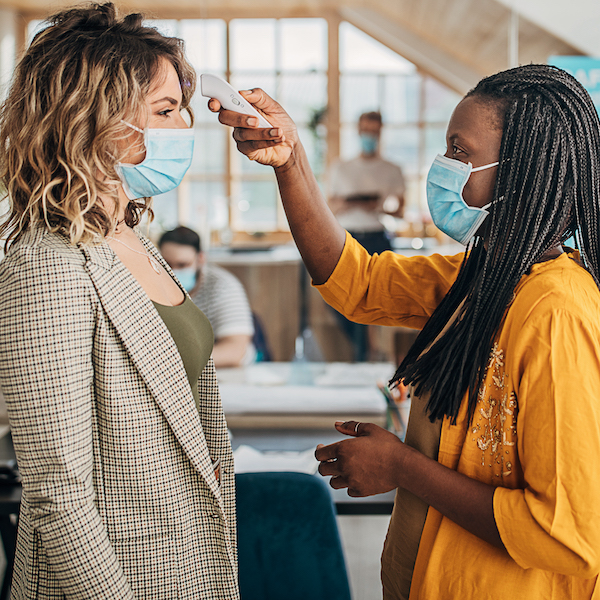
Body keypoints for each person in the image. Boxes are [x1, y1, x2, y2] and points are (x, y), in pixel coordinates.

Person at [209, 64, 600, 598]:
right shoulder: (484, 278)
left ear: (522, 173)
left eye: (459, 152)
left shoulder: (558, 313)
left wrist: (402, 467)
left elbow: (567, 535)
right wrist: (290, 163)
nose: (444, 167)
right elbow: (358, 282)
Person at [0, 4, 238, 598]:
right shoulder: (46, 264)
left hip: (183, 561)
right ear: (95, 119)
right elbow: (60, 500)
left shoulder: (130, 234)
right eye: (165, 110)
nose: (187, 123)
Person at [328, 111, 405, 361]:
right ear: (358, 131)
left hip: (377, 237)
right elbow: (328, 206)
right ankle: (364, 351)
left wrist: (377, 206)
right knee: (339, 298)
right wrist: (350, 202)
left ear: (381, 132)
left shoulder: (392, 169)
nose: (369, 136)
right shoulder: (341, 168)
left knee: (377, 299)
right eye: (365, 130)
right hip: (346, 238)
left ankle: (373, 354)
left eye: (374, 131)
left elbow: (401, 211)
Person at [158, 226, 256, 368]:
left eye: (182, 264)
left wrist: (172, 362)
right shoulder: (154, 286)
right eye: (166, 265)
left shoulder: (223, 287)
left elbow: (236, 351)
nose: (173, 272)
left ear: (201, 259)